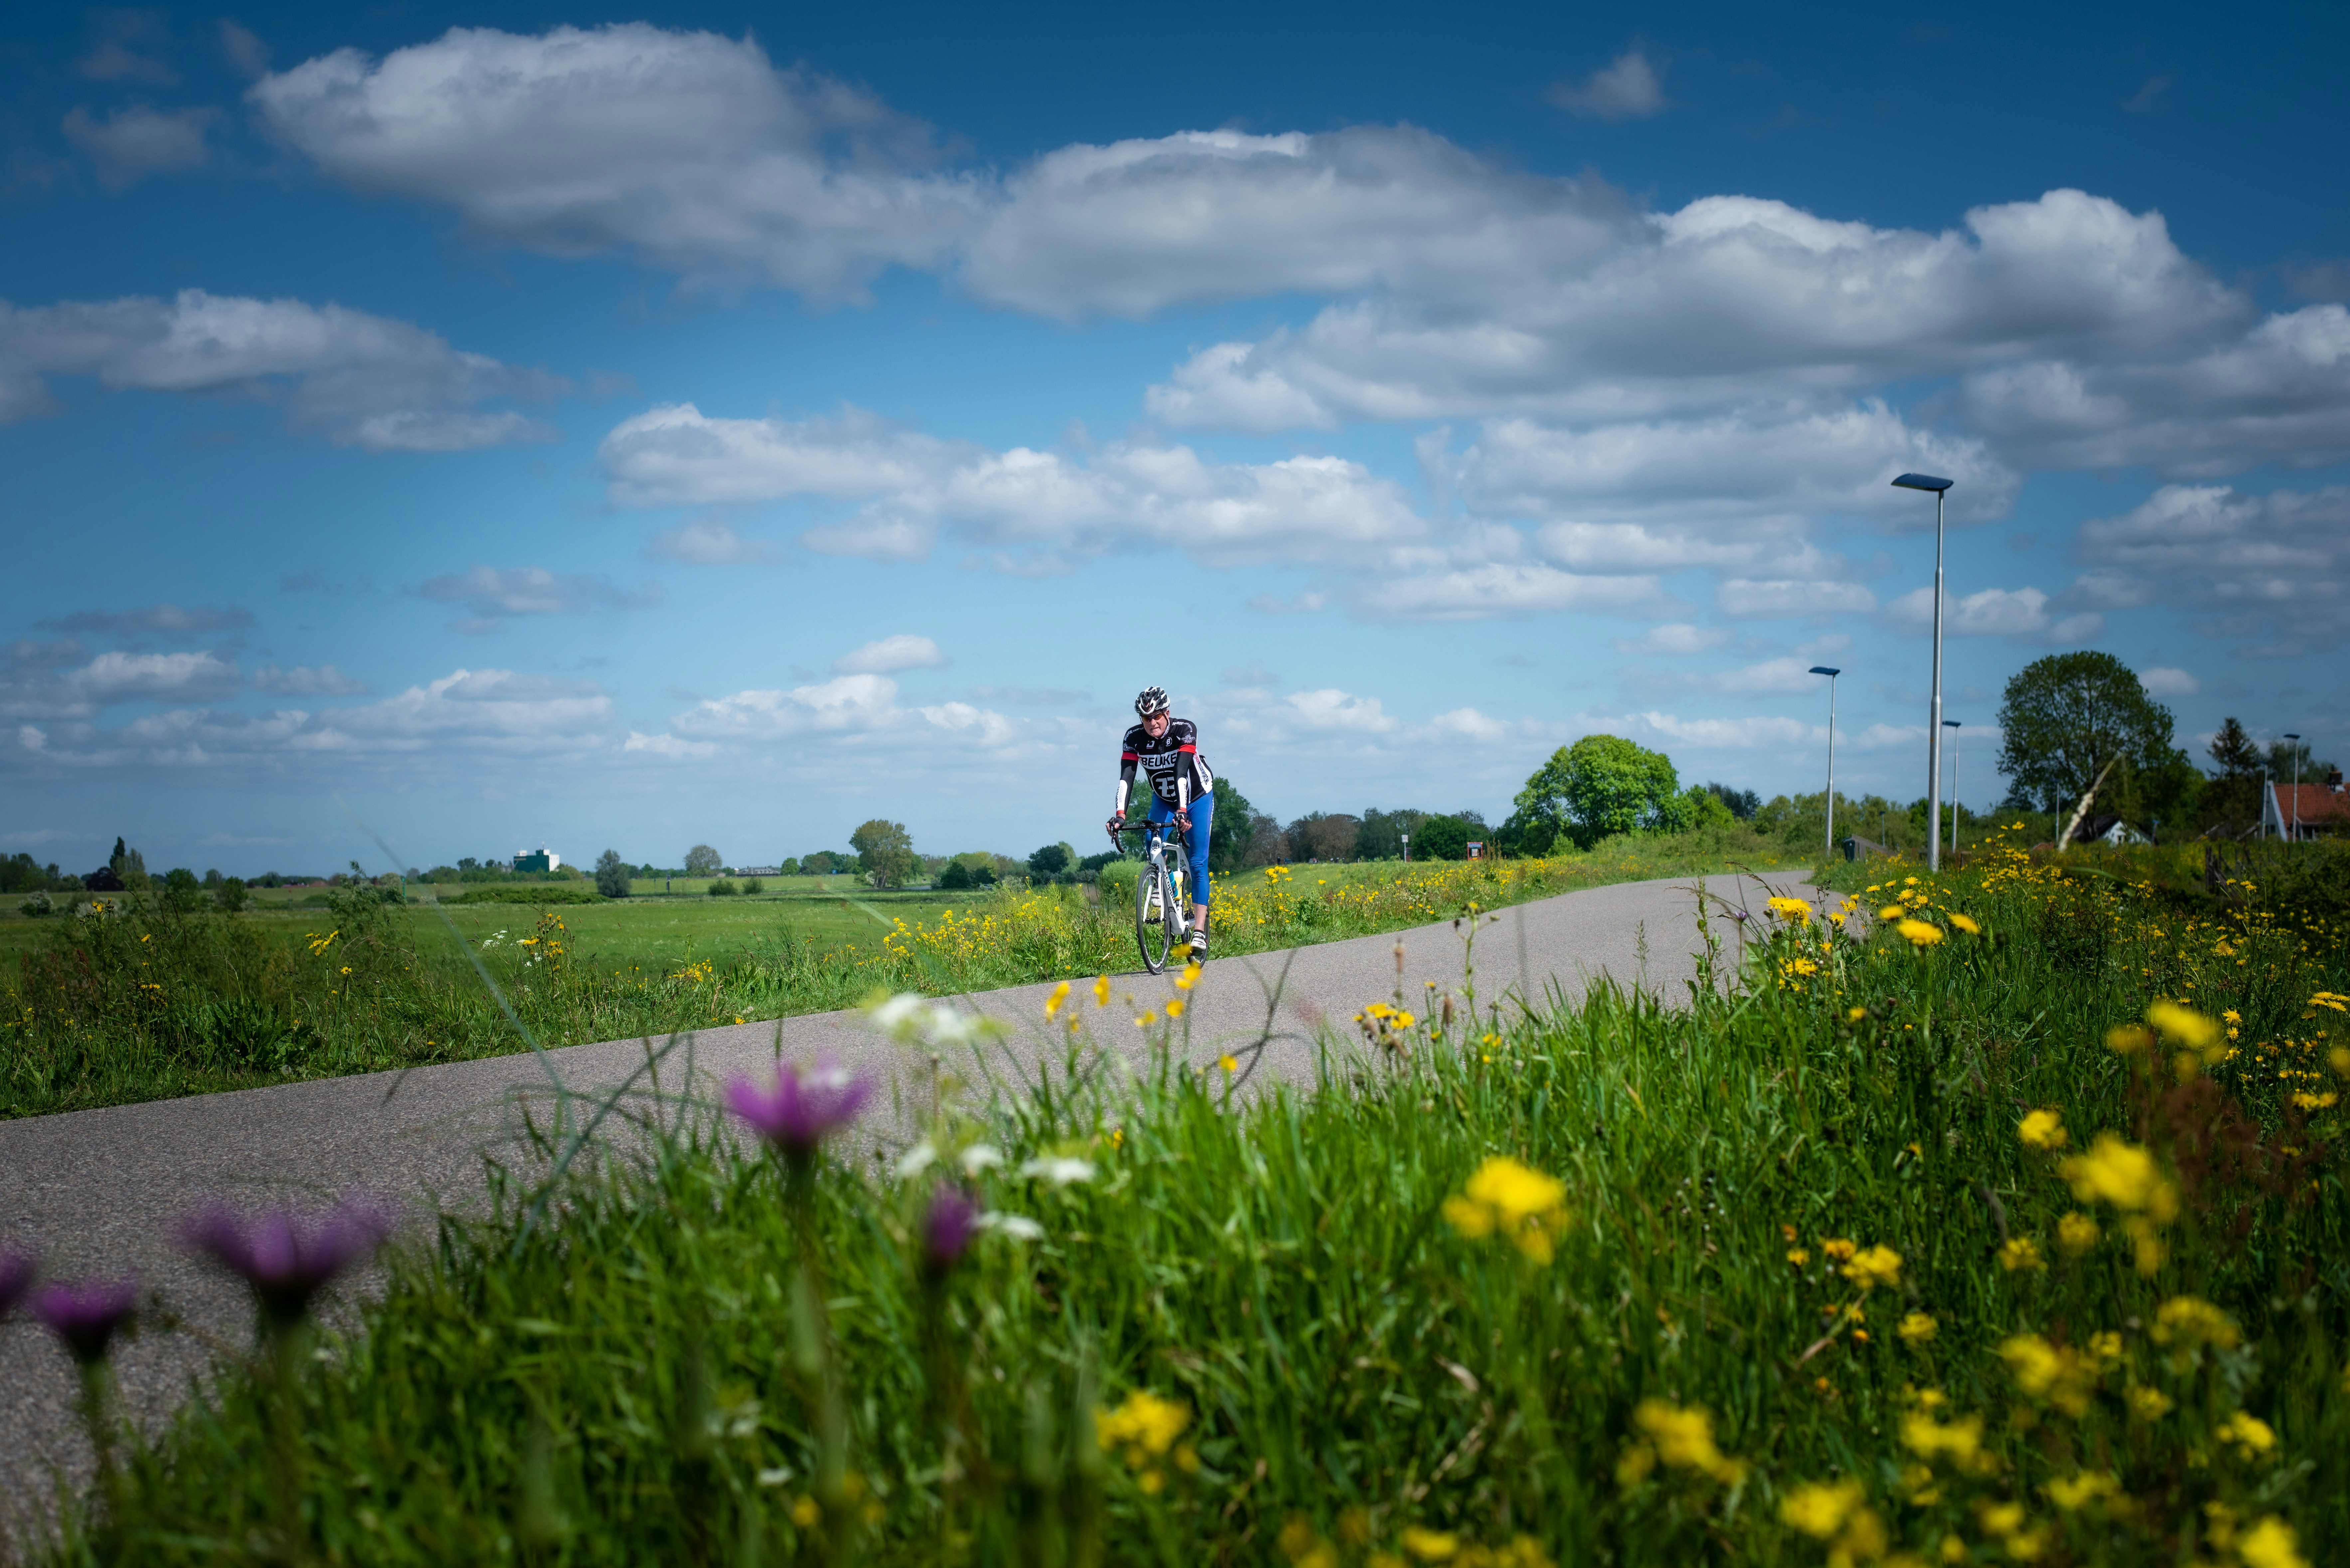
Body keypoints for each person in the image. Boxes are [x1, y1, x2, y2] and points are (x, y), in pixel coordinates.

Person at [1106, 685, 1214, 957]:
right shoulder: (1133, 738)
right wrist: (1120, 815)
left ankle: (1199, 932)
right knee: (1151, 840)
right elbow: (1126, 777)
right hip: (1163, 799)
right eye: (1146, 718)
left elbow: (1181, 772)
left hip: (1196, 797)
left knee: (1199, 861)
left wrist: (1182, 811)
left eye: (1156, 716)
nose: (1152, 723)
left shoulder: (1184, 730)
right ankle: (1167, 885)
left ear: (1167, 713)